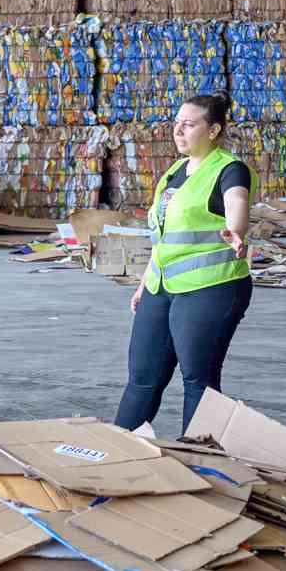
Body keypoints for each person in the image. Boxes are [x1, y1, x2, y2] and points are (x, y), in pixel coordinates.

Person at [114, 93, 255, 434]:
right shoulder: (176, 172)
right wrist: (145, 281)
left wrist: (236, 230)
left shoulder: (229, 169)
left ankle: (200, 462)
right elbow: (163, 236)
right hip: (162, 286)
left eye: (189, 125)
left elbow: (236, 200)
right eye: (176, 123)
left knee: (198, 380)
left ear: (213, 130)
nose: (178, 131)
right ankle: (118, 454)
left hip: (212, 287)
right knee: (143, 378)